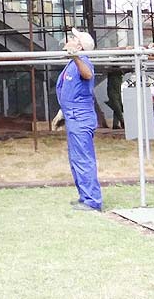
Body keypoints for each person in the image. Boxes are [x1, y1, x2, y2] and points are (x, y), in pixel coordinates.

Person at [57, 28, 102, 212]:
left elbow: (88, 75)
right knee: (76, 160)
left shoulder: (82, 61)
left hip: (80, 118)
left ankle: (92, 200)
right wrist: (62, 112)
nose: (68, 39)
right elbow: (72, 91)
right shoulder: (72, 63)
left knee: (83, 159)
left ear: (80, 46)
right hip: (73, 116)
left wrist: (75, 56)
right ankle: (85, 196)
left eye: (74, 38)